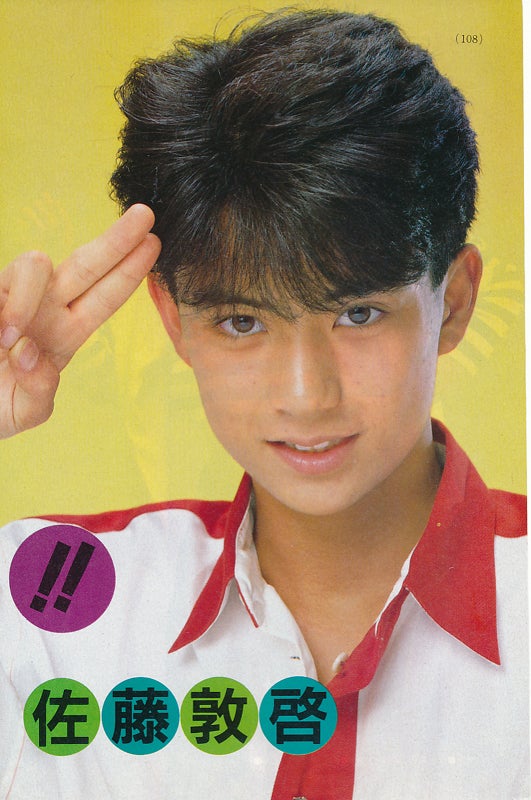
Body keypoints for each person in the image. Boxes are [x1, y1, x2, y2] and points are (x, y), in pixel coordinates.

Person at [0, 9, 526, 800]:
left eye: (357, 314)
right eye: (242, 322)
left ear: (452, 303)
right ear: (175, 323)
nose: (305, 396)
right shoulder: (54, 600)